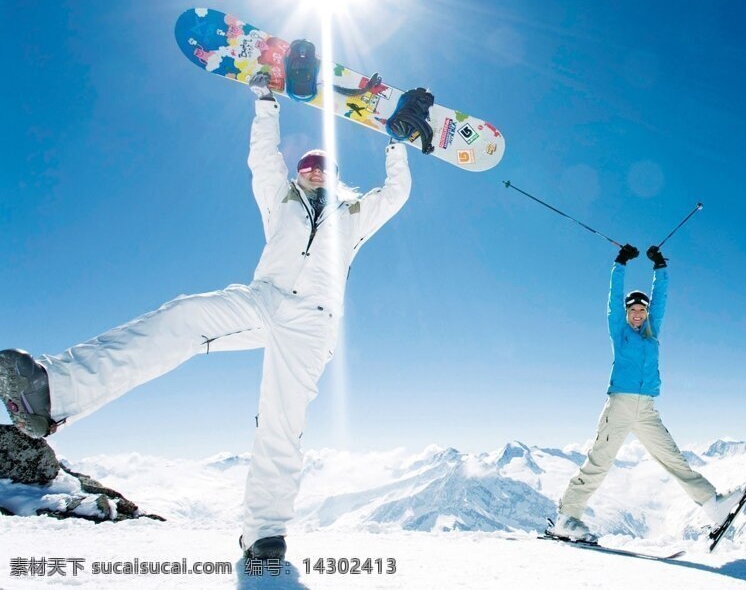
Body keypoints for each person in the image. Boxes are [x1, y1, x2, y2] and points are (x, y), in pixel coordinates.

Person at [0, 71, 434, 560]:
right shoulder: (281, 200)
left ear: (335, 177)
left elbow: (394, 195)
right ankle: (53, 390)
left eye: (321, 167)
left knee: (282, 420)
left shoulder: (355, 216)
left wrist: (396, 145)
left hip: (313, 320)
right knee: (184, 316)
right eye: (307, 166)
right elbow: (262, 161)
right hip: (263, 298)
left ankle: (264, 533)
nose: (313, 171)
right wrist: (266, 101)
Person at [549, 244, 746, 542]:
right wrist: (621, 263)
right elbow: (613, 301)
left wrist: (660, 268)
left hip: (646, 409)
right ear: (627, 313)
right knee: (599, 461)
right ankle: (566, 519)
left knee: (673, 458)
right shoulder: (620, 332)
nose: (638, 314)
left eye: (642, 310)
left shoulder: (652, 333)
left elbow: (662, 301)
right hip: (620, 405)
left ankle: (712, 506)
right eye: (634, 310)